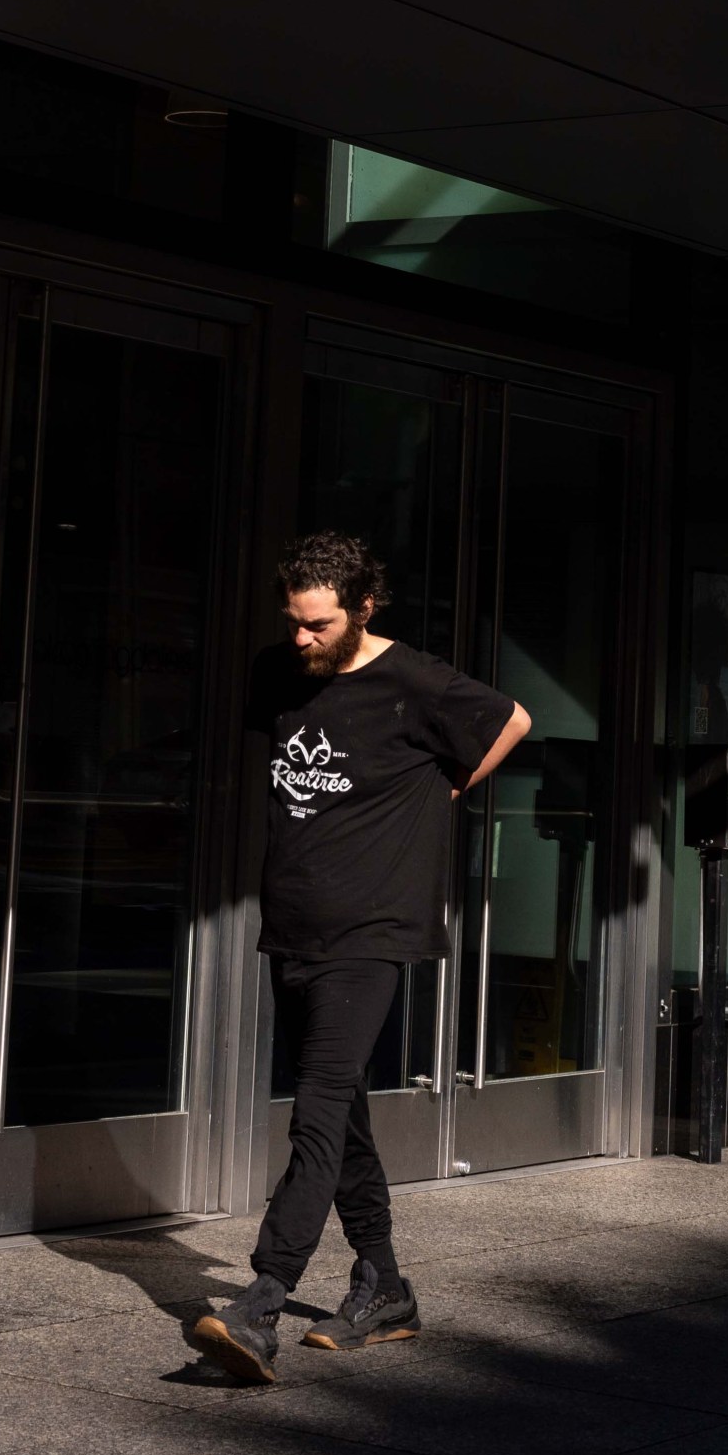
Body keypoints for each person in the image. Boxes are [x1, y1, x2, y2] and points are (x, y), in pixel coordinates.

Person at [185, 532, 530, 1384]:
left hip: (373, 930)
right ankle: (385, 1288)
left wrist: (447, 786)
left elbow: (513, 718)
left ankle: (263, 1297)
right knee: (344, 1118)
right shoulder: (281, 670)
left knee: (316, 1107)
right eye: (295, 622)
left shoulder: (413, 680)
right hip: (295, 922)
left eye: (320, 624)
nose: (303, 638)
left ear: (364, 607)